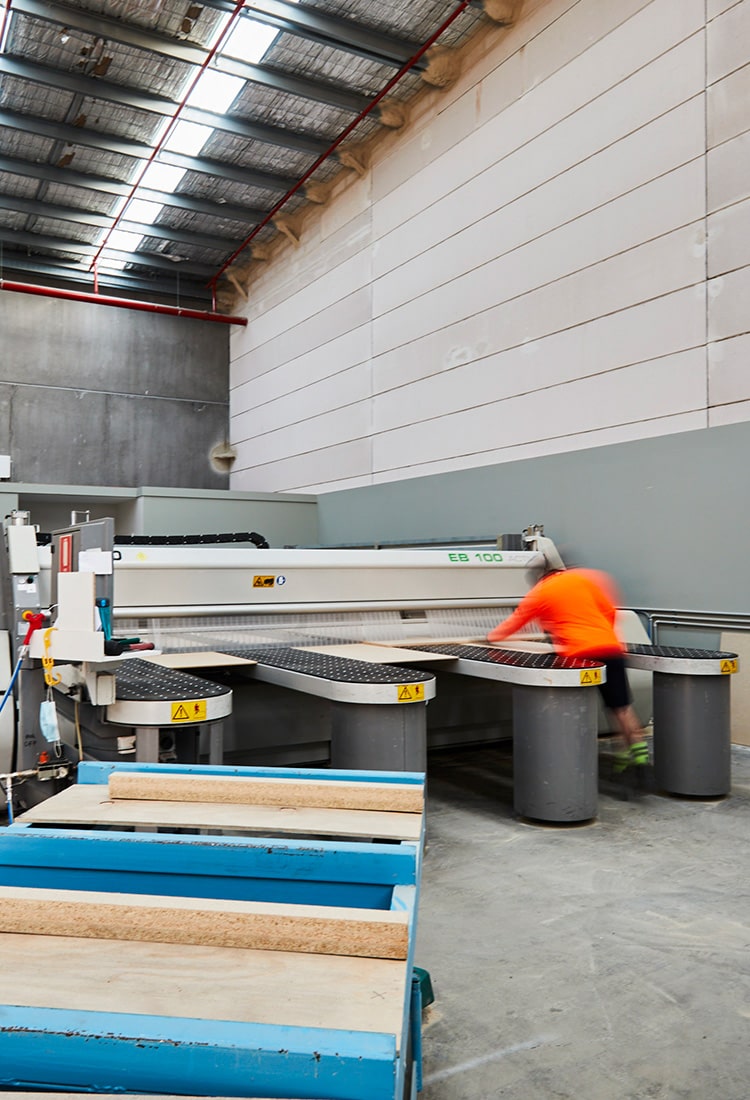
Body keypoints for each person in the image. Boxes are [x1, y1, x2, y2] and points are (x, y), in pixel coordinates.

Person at [486, 561, 649, 771]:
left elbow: (515, 621)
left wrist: (491, 637)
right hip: (610, 648)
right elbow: (609, 611)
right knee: (621, 707)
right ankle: (637, 753)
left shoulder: (541, 592)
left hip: (579, 657)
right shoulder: (583, 580)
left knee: (574, 704)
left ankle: (570, 756)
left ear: (541, 578)